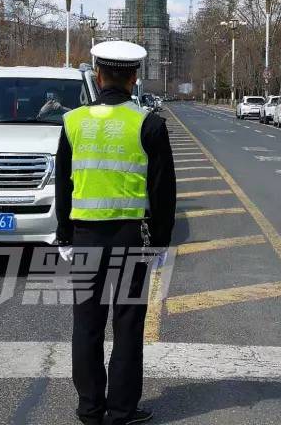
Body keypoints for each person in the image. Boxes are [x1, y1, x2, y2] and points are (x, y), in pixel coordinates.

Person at [55, 40, 176, 425]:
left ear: (97, 75)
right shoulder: (149, 124)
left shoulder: (73, 122)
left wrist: (64, 235)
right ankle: (122, 410)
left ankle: (90, 409)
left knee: (86, 325)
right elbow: (163, 190)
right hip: (131, 239)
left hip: (85, 239)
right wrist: (160, 240)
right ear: (134, 77)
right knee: (127, 326)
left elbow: (62, 184)